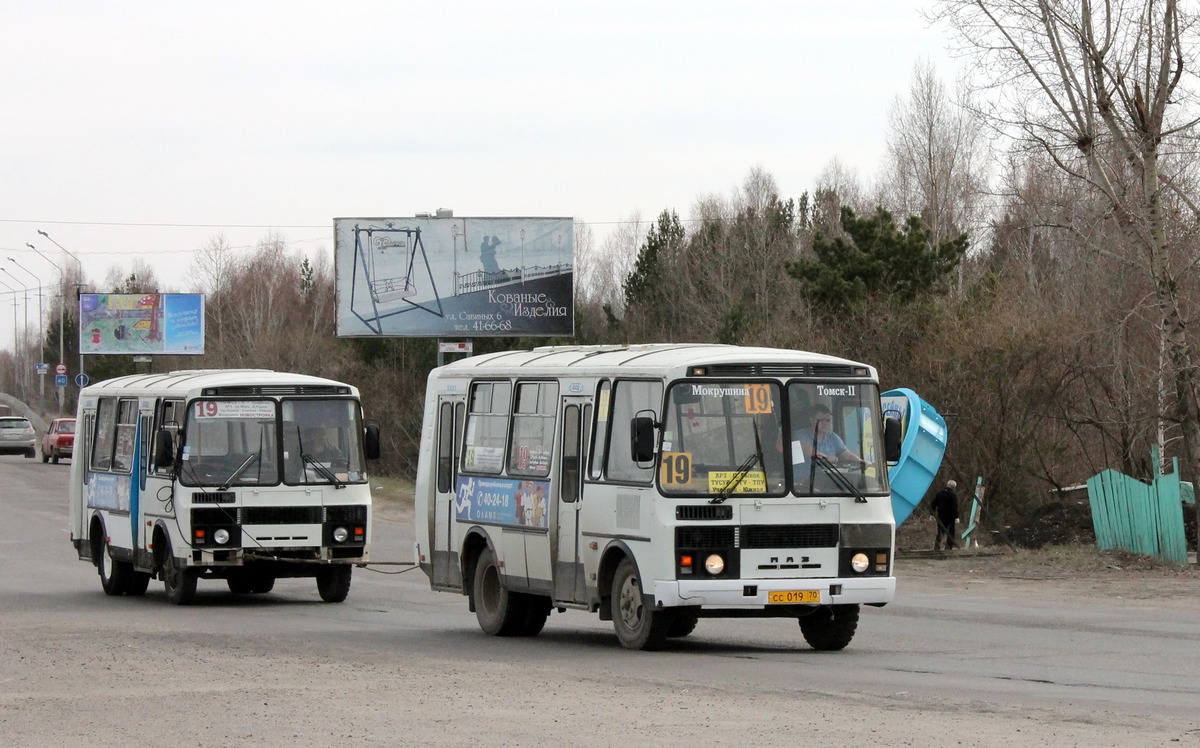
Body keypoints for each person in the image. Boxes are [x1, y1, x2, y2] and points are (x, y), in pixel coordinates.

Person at [793, 404, 862, 466]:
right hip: (803, 478)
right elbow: (807, 449)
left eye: (827, 420)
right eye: (820, 420)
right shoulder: (800, 434)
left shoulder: (833, 437)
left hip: (828, 477)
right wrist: (827, 458)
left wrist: (861, 461)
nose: (825, 423)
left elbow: (845, 454)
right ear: (811, 420)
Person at [931, 480, 960, 550]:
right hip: (950, 517)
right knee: (950, 533)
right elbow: (954, 507)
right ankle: (948, 548)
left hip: (940, 516)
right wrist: (956, 517)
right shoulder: (953, 495)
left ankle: (937, 548)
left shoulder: (939, 493)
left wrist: (932, 514)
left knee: (940, 533)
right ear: (954, 487)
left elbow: (933, 504)